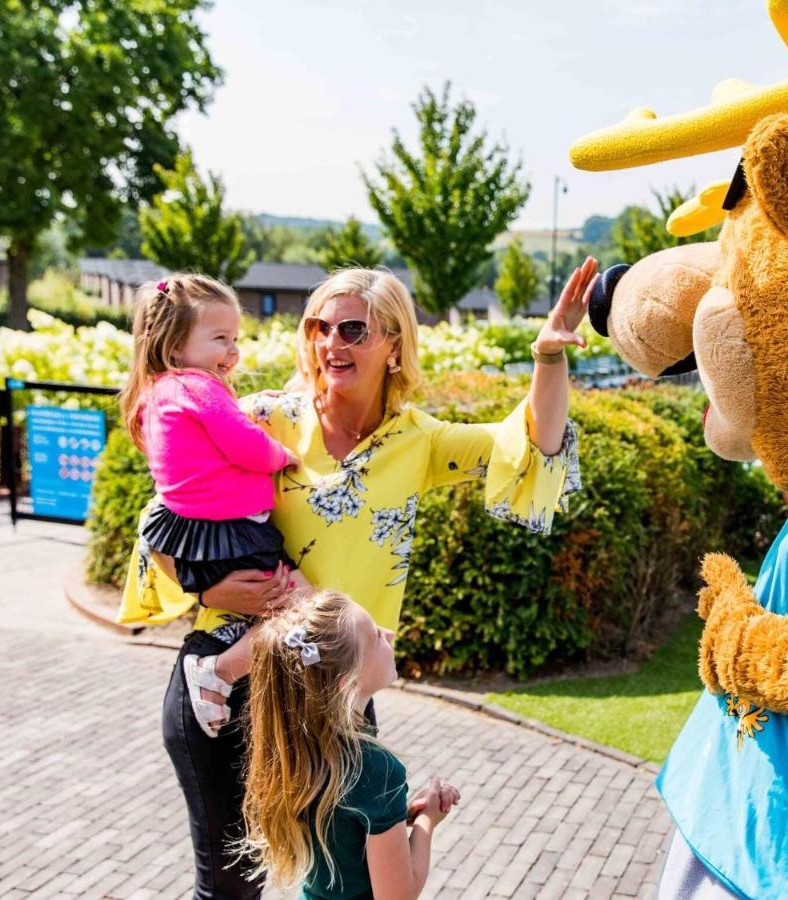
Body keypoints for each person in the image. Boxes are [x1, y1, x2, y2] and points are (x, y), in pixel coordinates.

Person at [118, 261, 594, 899]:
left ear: (394, 344)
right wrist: (210, 592)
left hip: (339, 694)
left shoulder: (419, 442)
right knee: (231, 889)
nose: (330, 343)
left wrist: (547, 358)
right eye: (319, 326)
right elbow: (162, 520)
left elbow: (532, 444)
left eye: (352, 329)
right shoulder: (267, 419)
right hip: (223, 686)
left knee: (347, 887)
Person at [119, 273, 311, 739]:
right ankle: (217, 672)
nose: (233, 352)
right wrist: (282, 455)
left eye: (236, 339)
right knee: (298, 604)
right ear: (175, 343)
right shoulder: (198, 387)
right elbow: (244, 444)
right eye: (220, 338)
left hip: (190, 537)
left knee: (282, 607)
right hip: (233, 530)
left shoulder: (158, 392)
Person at [240, 589, 459, 899]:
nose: (390, 634)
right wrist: (427, 821)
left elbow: (342, 830)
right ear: (350, 682)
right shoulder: (376, 770)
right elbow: (398, 896)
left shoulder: (298, 752)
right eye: (375, 637)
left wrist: (399, 814)